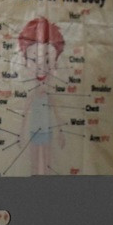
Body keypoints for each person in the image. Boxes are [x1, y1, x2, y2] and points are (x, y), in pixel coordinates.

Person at [18, 16, 67, 175]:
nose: (41, 68)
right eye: (34, 60)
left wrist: (61, 132)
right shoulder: (32, 95)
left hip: (46, 133)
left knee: (46, 161)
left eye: (47, 61)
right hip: (34, 132)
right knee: (34, 161)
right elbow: (25, 114)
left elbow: (58, 114)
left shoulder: (49, 95)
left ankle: (45, 187)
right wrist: (20, 134)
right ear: (26, 61)